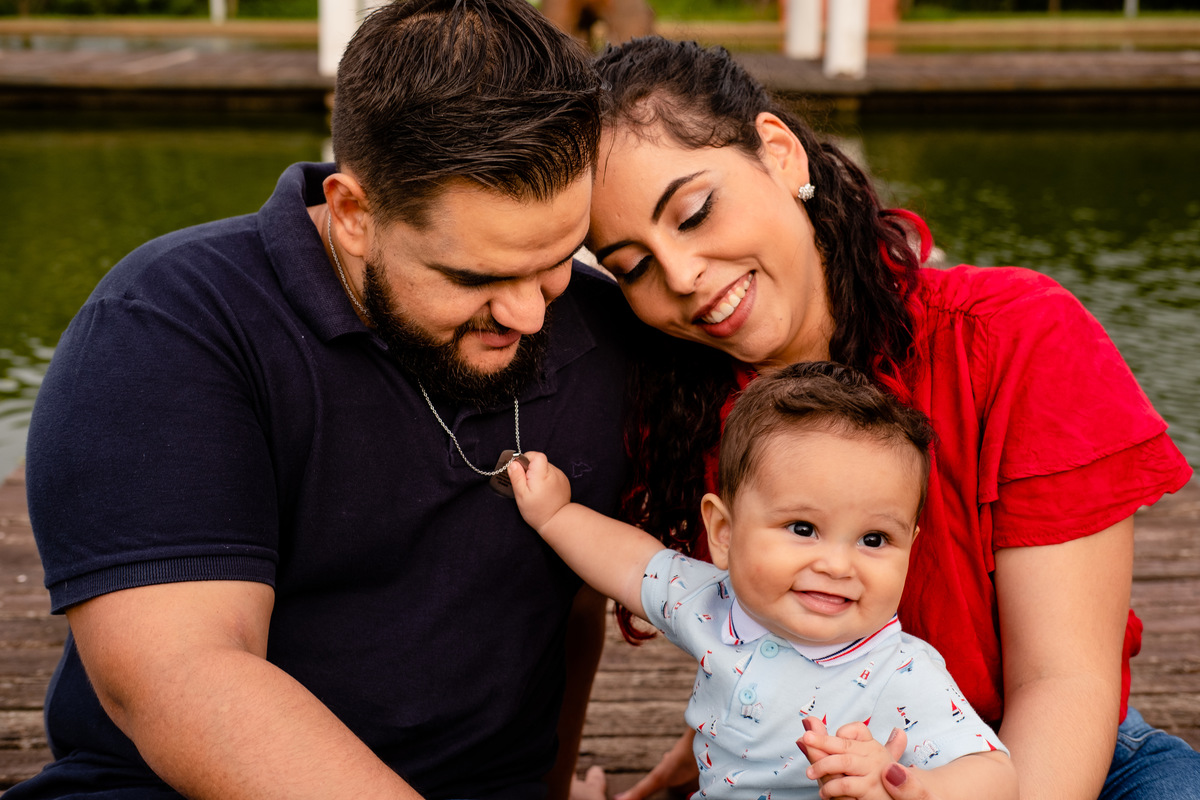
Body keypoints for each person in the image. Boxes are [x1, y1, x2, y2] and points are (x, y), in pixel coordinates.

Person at [11, 2, 635, 798]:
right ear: (353, 215)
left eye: (556, 256)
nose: (531, 313)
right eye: (475, 278)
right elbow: (181, 671)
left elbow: (574, 615)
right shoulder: (169, 322)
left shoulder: (604, 327)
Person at [581, 36, 1199, 800]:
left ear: (779, 154)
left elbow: (1062, 680)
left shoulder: (1014, 333)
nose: (679, 276)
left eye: (695, 212)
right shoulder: (685, 406)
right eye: (632, 265)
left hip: (1052, 768)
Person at [511, 362, 1017, 800]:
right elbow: (630, 563)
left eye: (874, 539)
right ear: (724, 532)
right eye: (803, 528)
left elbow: (996, 775)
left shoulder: (901, 673)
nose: (839, 566)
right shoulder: (714, 604)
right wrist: (556, 516)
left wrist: (915, 787)